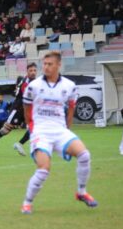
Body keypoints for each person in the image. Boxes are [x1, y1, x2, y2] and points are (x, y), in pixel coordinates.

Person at [21, 52, 97, 214]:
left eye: (50, 64)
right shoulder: (33, 86)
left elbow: (71, 109)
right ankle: (27, 203)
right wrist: (32, 129)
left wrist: (67, 130)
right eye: (45, 64)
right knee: (43, 169)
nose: (46, 67)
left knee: (84, 155)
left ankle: (81, 192)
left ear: (58, 65)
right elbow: (26, 110)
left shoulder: (69, 86)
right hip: (41, 131)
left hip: (60, 131)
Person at [0, 63, 37, 158]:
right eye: (31, 71)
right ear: (27, 72)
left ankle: (19, 144)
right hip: (18, 109)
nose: (33, 72)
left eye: (34, 70)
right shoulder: (25, 83)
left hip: (27, 109)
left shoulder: (35, 82)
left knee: (34, 128)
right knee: (5, 131)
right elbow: (28, 96)